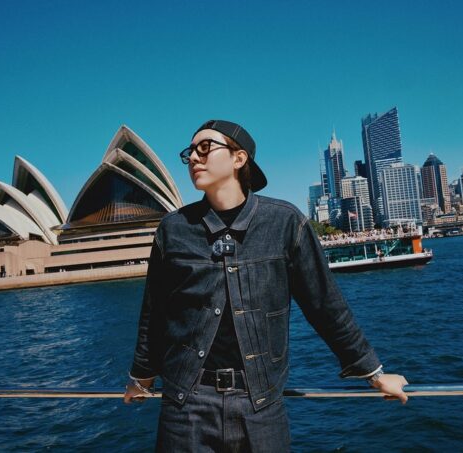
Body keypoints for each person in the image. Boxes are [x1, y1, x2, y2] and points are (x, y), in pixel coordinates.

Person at [124, 120, 408, 452]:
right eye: (190, 153)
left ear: (239, 158)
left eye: (205, 148)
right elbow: (154, 313)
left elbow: (325, 304)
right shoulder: (173, 229)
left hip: (261, 403)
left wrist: (375, 373)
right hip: (185, 404)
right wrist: (141, 378)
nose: (194, 158)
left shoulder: (285, 222)